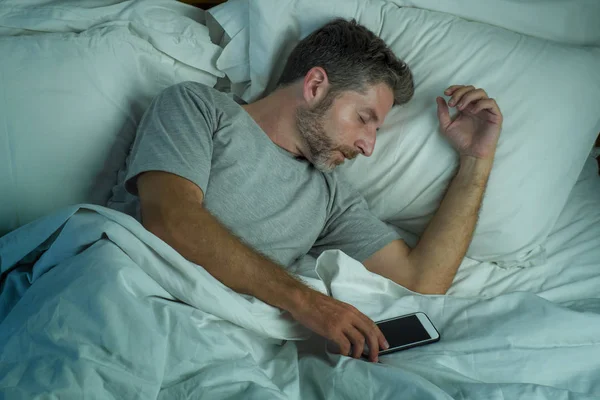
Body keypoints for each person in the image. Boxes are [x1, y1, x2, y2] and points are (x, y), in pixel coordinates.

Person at [108, 18, 503, 364]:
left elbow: (422, 283)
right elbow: (169, 219)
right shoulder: (199, 107)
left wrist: (476, 160)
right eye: (364, 119)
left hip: (218, 345)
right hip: (125, 301)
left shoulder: (330, 197)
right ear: (315, 85)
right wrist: (308, 303)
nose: (368, 146)